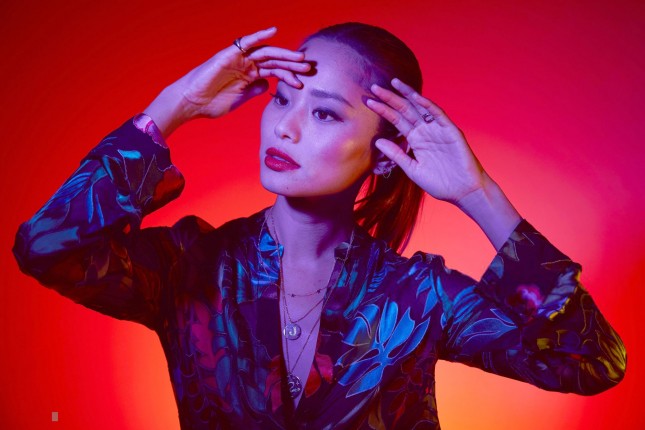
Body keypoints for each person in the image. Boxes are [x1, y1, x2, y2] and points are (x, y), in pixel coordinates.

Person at [13, 23, 626, 429]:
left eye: (325, 114)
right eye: (281, 98)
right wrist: (175, 107)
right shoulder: (190, 266)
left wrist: (479, 195)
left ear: (385, 154)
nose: (284, 127)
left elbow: (592, 362)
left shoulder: (417, 297)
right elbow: (46, 245)